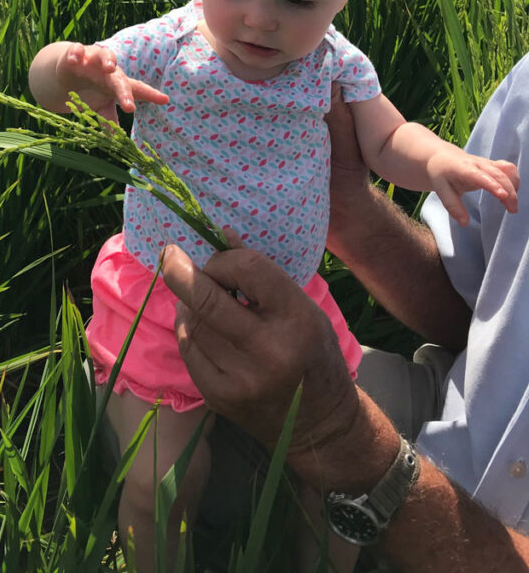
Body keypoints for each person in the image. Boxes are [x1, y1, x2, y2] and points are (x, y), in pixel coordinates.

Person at [28, 0, 519, 571]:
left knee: (332, 475)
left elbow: (389, 139)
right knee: (165, 478)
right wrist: (73, 71)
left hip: (292, 294)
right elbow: (48, 80)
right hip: (167, 290)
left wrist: (443, 161)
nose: (259, 17)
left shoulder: (333, 61)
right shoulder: (169, 43)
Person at [160, 63, 529, 570]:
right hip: (456, 410)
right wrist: (349, 212)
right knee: (149, 412)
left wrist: (343, 441)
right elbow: (483, 304)